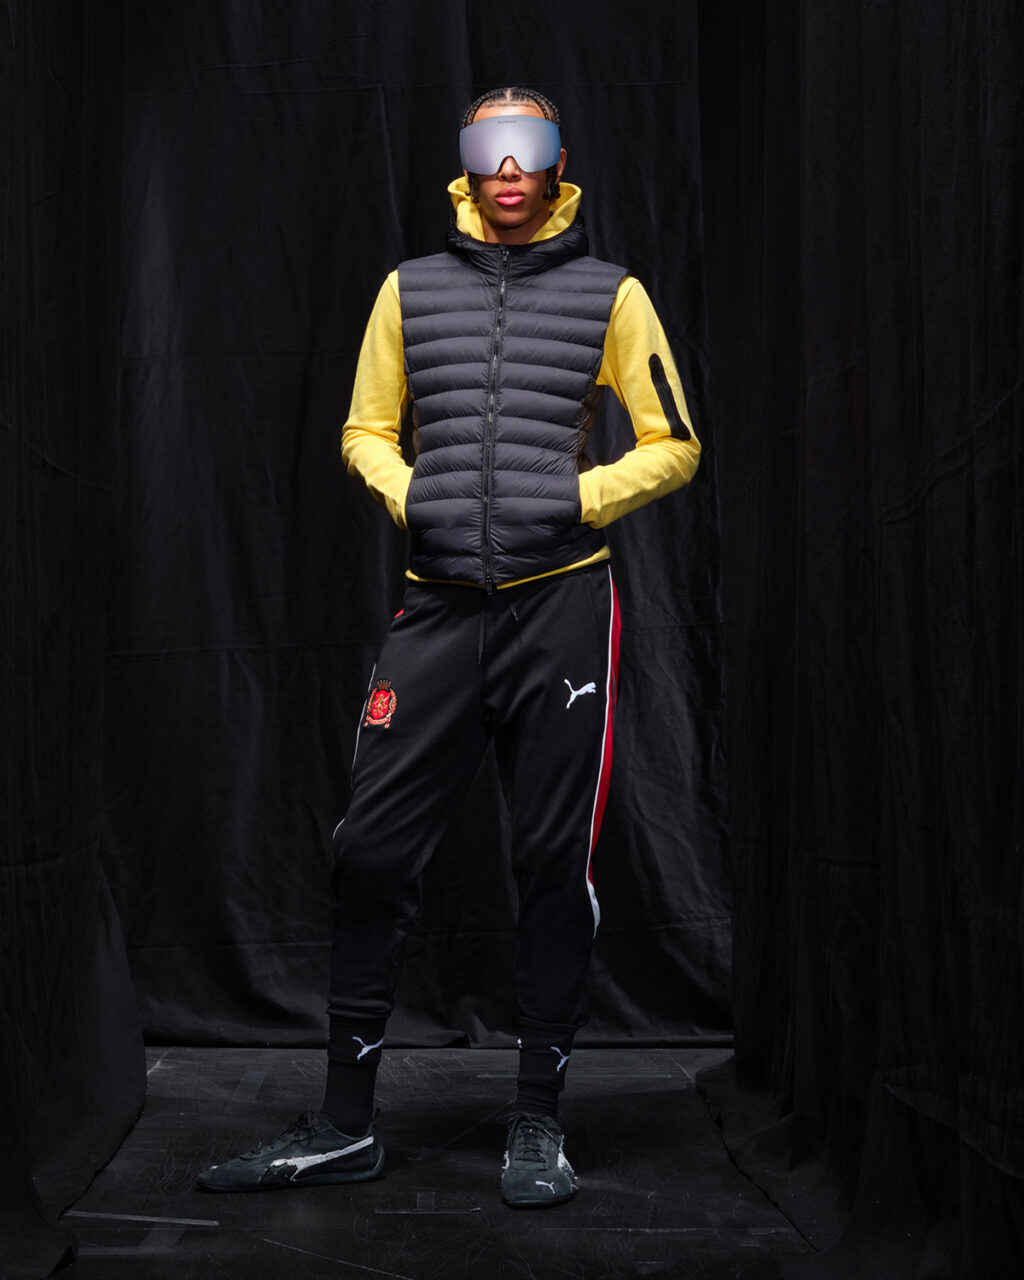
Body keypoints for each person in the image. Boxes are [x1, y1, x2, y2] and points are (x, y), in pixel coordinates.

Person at [197, 85, 700, 1208]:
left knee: (551, 866)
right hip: (435, 609)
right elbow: (364, 430)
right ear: (467, 162)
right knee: (369, 853)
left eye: (528, 144)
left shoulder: (612, 294)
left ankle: (538, 1120)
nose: (508, 166)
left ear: (557, 159)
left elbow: (674, 443)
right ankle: (344, 1124)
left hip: (560, 607)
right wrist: (411, 494)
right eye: (489, 144)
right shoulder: (407, 290)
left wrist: (576, 497)